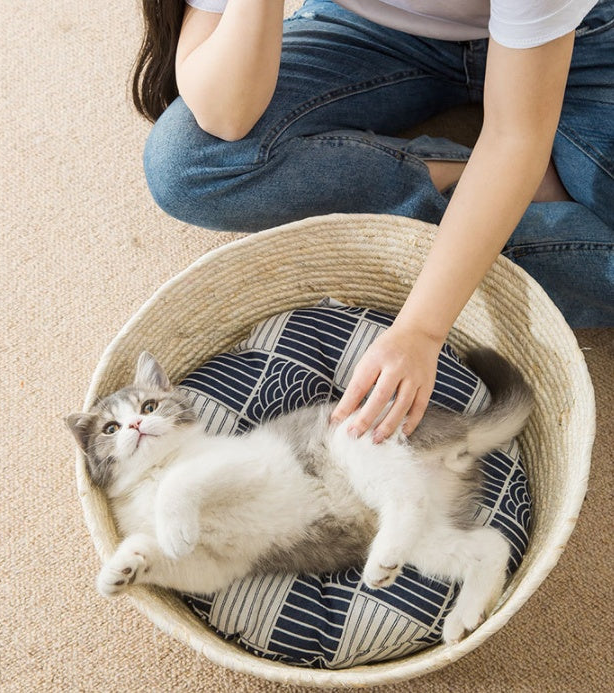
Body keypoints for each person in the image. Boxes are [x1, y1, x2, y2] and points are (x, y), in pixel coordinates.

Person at [135, 0, 613, 442]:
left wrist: (422, 328)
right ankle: (473, 182)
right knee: (188, 165)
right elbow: (225, 115)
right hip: (375, 28)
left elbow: (515, 135)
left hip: (579, 37)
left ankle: (494, 194)